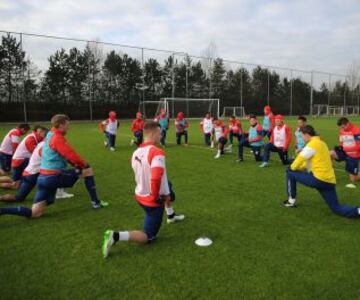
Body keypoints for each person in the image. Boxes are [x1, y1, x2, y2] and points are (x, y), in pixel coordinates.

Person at [101, 121, 185, 258]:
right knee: (148, 237)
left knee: (168, 187)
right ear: (152, 133)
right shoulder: (157, 152)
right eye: (159, 133)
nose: (161, 135)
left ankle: (171, 215)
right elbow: (156, 177)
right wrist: (154, 196)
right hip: (151, 200)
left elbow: (145, 173)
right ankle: (115, 236)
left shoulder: (135, 152)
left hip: (140, 195)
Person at [0, 114, 108, 219]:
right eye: (67, 125)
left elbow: (65, 154)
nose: (68, 128)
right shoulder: (56, 137)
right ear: (61, 125)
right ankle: (96, 203)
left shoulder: (50, 134)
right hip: (53, 176)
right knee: (88, 171)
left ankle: (3, 211)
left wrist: (75, 163)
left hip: (42, 179)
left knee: (35, 213)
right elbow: (70, 155)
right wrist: (83, 164)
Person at [283, 125, 360, 219]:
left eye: (302, 135)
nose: (302, 138)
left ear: (307, 134)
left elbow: (299, 159)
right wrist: (298, 167)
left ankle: (291, 201)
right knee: (336, 208)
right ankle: (358, 211)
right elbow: (308, 163)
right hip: (329, 182)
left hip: (318, 179)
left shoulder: (312, 144)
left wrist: (292, 167)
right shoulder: (322, 143)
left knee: (289, 172)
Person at [0, 140, 74, 203]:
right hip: (33, 174)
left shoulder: (41, 144)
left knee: (18, 195)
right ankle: (59, 193)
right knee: (59, 172)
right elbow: (53, 160)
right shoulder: (46, 147)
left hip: (28, 172)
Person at [330, 117, 360, 188]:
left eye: (343, 127)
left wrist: (346, 149)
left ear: (348, 123)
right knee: (330, 153)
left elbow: (359, 146)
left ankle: (356, 174)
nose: (343, 128)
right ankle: (331, 175)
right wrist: (339, 148)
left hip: (353, 155)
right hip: (344, 153)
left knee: (353, 179)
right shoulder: (342, 131)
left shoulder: (356, 130)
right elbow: (342, 143)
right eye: (341, 127)